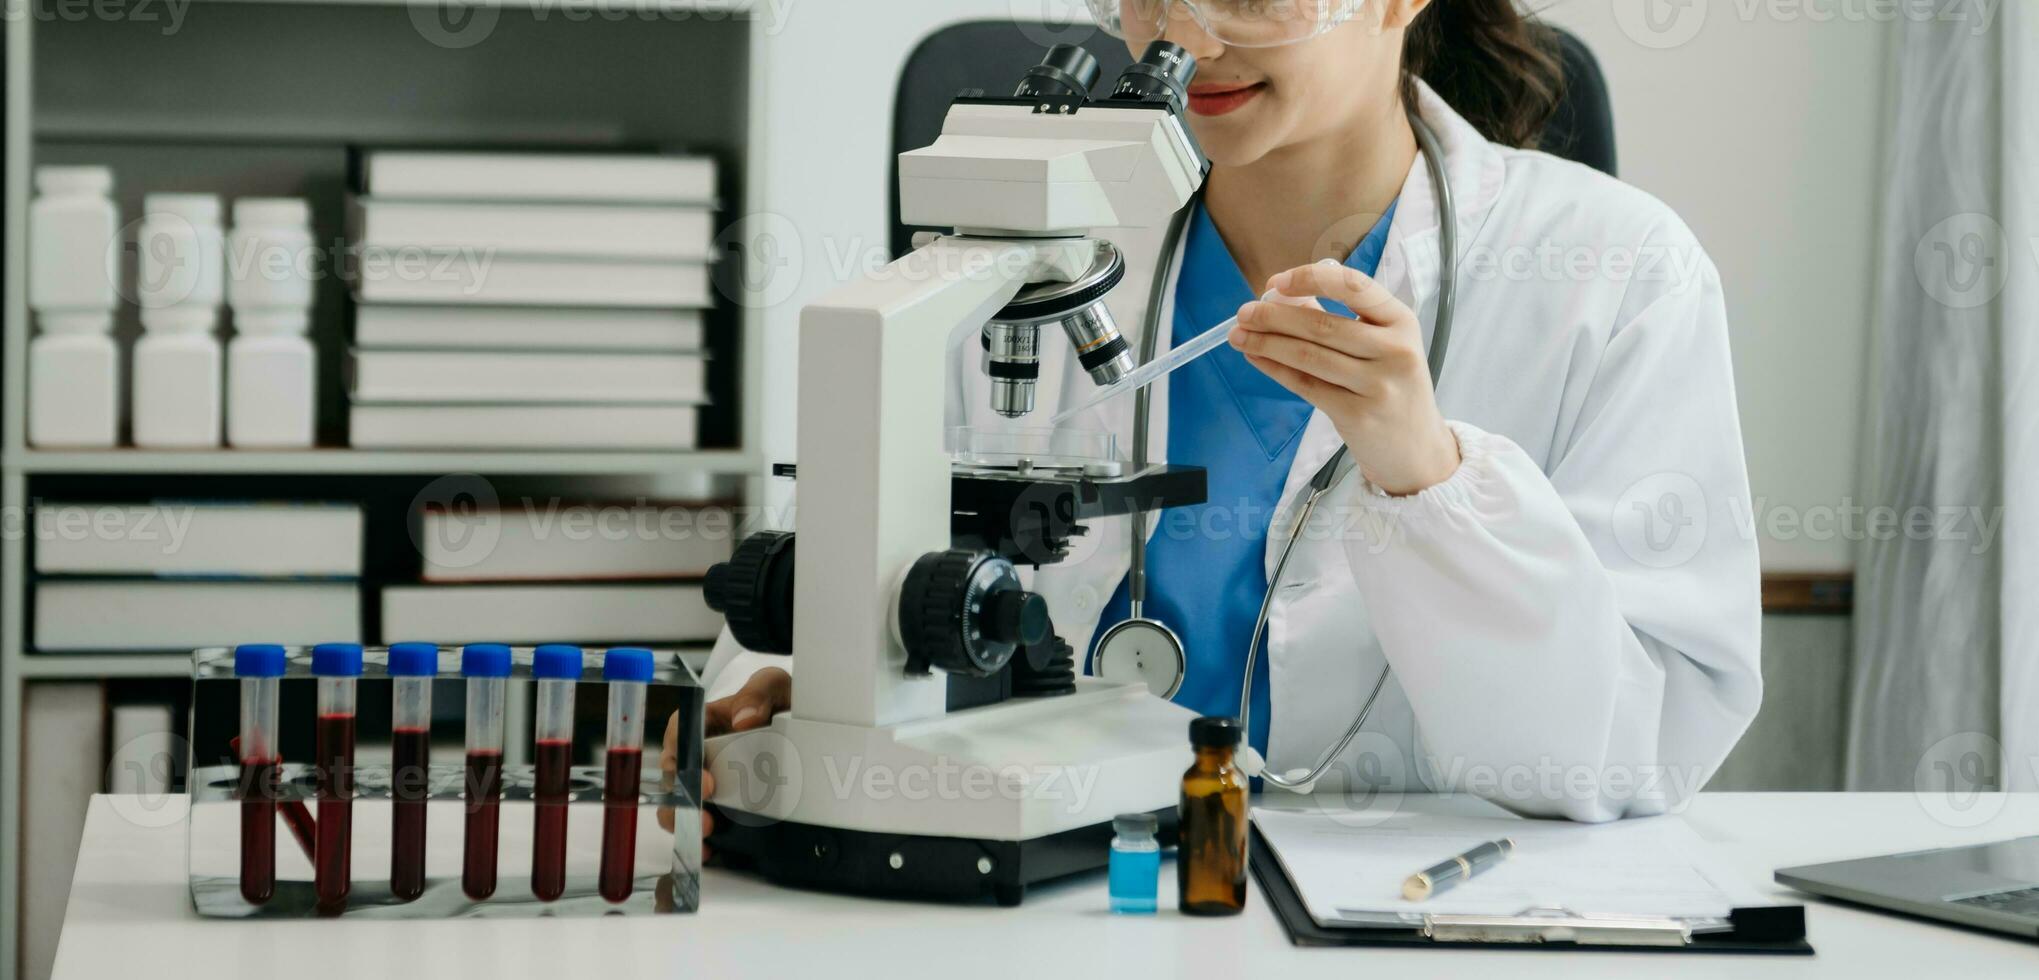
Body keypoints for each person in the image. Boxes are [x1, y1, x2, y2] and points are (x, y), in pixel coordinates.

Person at [669, 0, 1761, 834]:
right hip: (1060, 886)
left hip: (1400, 899)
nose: (1186, 34)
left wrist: (1428, 479)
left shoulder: (1613, 273)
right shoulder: (1023, 250)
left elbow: (1627, 754)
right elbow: (820, 596)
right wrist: (795, 688)